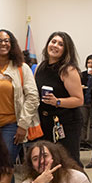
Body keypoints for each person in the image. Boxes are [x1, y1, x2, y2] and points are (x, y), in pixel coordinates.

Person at [0, 29, 40, 165]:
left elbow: (33, 97)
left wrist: (23, 125)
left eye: (6, 41)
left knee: (4, 164)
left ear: (12, 44)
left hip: (11, 126)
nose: (3, 44)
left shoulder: (21, 68)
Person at [34, 32, 84, 165]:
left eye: (61, 44)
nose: (55, 46)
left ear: (66, 50)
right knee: (49, 161)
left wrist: (57, 101)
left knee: (68, 161)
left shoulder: (68, 70)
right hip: (45, 121)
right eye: (53, 41)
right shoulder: (40, 67)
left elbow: (79, 99)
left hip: (66, 122)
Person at [79, 56, 92, 151]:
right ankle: (82, 141)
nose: (90, 65)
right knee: (83, 121)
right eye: (89, 63)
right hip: (83, 100)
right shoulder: (82, 74)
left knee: (91, 123)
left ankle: (89, 142)